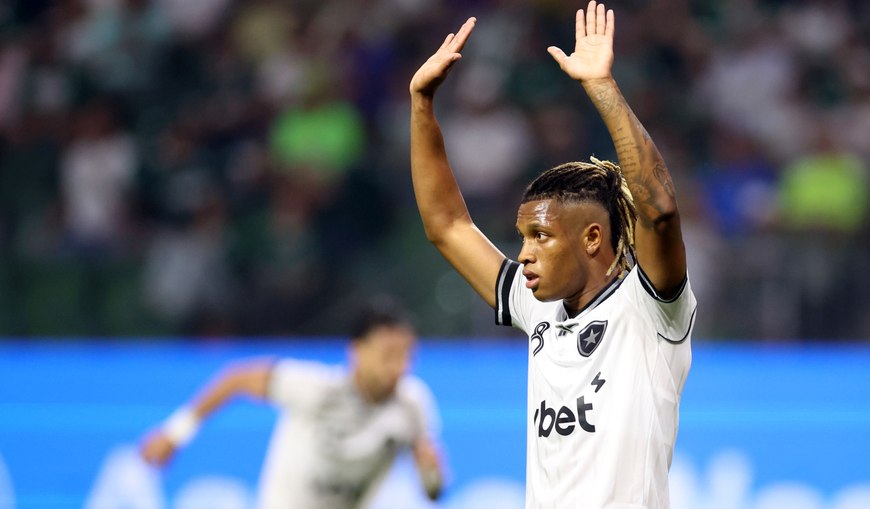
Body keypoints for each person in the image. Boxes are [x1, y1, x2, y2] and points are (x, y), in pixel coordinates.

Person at [408, 2, 696, 508]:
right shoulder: (538, 306)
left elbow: (660, 210)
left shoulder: (650, 309)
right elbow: (448, 225)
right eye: (523, 237)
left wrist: (602, 88)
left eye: (540, 236)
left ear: (592, 238)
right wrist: (421, 105)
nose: (523, 255)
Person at [140, 297, 445, 509]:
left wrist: (431, 474)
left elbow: (432, 491)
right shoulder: (317, 389)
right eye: (388, 355)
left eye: (406, 355)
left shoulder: (412, 405)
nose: (399, 367)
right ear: (357, 351)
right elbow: (237, 379)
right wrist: (175, 433)